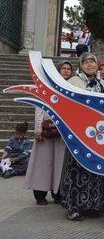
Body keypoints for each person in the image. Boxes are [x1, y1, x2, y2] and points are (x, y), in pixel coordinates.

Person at [61, 52, 104, 221]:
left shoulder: (102, 82)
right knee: (77, 168)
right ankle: (73, 207)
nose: (90, 65)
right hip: (78, 132)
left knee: (95, 168)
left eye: (92, 62)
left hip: (97, 134)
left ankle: (93, 205)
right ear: (81, 65)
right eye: (86, 62)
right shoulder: (74, 82)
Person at [24, 60, 72, 204]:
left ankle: (57, 193)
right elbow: (39, 106)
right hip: (45, 130)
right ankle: (40, 194)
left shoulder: (70, 87)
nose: (66, 71)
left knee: (58, 163)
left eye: (69, 69)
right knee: (42, 163)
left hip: (61, 131)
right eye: (63, 68)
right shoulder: (47, 85)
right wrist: (38, 128)